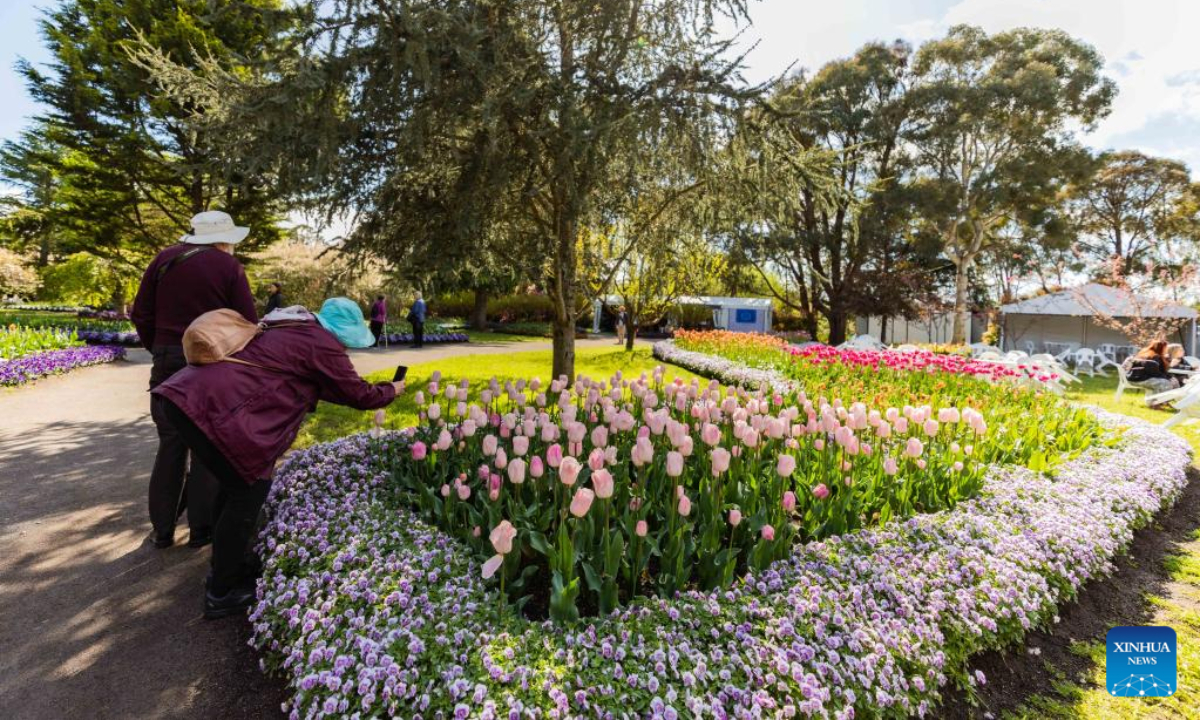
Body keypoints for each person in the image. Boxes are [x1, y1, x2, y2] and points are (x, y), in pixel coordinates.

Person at [153, 298, 402, 618]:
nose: (346, 348)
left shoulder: (289, 325)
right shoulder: (320, 342)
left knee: (234, 489)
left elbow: (327, 386)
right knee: (246, 493)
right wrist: (391, 390)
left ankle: (228, 568)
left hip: (193, 399)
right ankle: (222, 592)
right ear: (341, 331)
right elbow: (358, 394)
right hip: (213, 410)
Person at [132, 210, 258, 550]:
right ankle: (201, 530)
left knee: (170, 443)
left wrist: (160, 347)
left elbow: (140, 312)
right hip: (212, 362)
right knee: (207, 443)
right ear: (224, 239)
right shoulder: (229, 267)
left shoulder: (163, 259)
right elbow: (247, 321)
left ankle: (162, 531)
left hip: (168, 359)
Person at [1122, 340, 1177, 406]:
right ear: (1161, 348)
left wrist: (1168, 376)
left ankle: (1161, 402)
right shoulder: (1155, 356)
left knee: (1167, 381)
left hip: (1132, 377)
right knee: (1165, 383)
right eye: (1166, 348)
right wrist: (1167, 378)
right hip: (1139, 379)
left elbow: (1157, 371)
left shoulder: (1145, 352)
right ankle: (1156, 403)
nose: (1167, 350)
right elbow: (1154, 372)